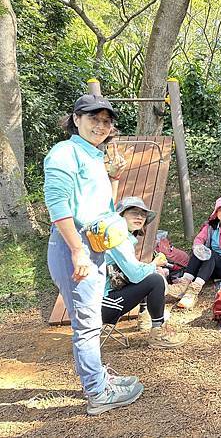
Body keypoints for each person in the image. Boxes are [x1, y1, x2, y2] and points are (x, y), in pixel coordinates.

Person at [44, 94, 143, 415]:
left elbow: (104, 209)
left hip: (94, 246)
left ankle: (96, 378)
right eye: (93, 119)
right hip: (75, 247)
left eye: (106, 121)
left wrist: (113, 177)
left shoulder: (93, 156)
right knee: (87, 324)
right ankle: (98, 392)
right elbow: (58, 206)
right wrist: (77, 252)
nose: (100, 126)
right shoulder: (65, 152)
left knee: (89, 320)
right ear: (76, 119)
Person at [102, 197, 189, 348]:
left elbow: (133, 271)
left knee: (148, 274)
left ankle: (146, 319)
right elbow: (136, 275)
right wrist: (155, 264)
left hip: (101, 302)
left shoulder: (122, 237)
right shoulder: (117, 239)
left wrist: (151, 267)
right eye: (134, 212)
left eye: (143, 214)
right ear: (120, 216)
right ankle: (158, 333)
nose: (140, 217)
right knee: (154, 280)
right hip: (102, 306)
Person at [174, 197, 221, 309]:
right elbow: (199, 238)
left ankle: (193, 292)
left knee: (211, 255)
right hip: (212, 266)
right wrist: (198, 246)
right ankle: (184, 283)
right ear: (216, 213)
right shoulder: (211, 226)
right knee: (200, 251)